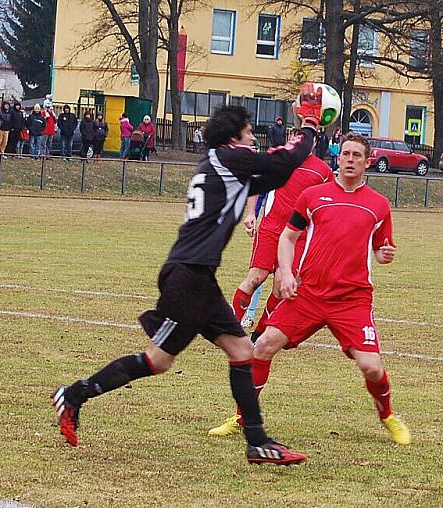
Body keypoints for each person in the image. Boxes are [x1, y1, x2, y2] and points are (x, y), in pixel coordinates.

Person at [51, 104, 319, 465]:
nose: (254, 137)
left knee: (240, 351)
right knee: (157, 359)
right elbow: (286, 161)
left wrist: (297, 149)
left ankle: (257, 442)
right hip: (188, 277)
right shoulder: (228, 157)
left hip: (197, 277)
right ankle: (74, 394)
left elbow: (277, 174)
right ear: (233, 137)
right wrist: (309, 126)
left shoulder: (221, 164)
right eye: (249, 131)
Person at [208, 133, 411, 446]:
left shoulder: (379, 205)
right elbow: (288, 238)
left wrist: (383, 255)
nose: (351, 160)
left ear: (368, 162)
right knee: (262, 346)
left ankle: (387, 415)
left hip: (351, 300)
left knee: (371, 367)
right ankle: (242, 418)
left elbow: (383, 250)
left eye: (358, 155)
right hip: (308, 294)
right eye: (346, 154)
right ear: (338, 157)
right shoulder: (314, 196)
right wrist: (286, 273)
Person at [227, 150, 334, 347]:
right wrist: (251, 213)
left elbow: (327, 202)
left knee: (281, 286)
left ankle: (260, 333)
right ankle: (230, 331)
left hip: (298, 237)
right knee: (255, 278)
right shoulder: (278, 158)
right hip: (271, 229)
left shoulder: (323, 170)